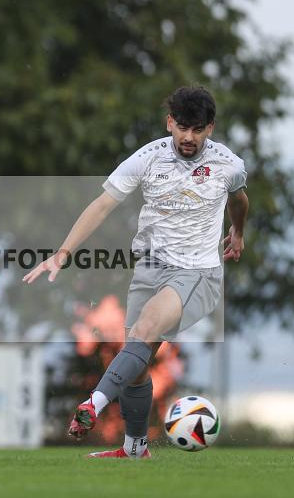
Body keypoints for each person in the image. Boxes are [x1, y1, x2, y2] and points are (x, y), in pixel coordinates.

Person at [23, 85, 249, 459]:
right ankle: (134, 448)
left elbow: (239, 198)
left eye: (197, 130)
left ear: (210, 128)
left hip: (197, 273)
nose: (188, 137)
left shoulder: (228, 165)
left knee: (143, 333)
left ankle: (92, 404)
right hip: (148, 270)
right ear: (170, 123)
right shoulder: (147, 158)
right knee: (136, 363)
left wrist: (238, 231)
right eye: (181, 128)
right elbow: (102, 205)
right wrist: (63, 253)